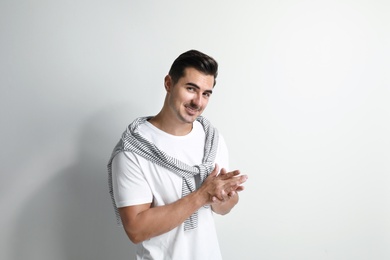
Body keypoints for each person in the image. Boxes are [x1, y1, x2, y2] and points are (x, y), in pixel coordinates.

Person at [107, 49, 248, 260]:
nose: (198, 102)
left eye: (206, 94)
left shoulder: (212, 139)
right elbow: (135, 229)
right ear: (168, 83)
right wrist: (201, 195)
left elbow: (222, 209)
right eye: (191, 89)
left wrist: (224, 196)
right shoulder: (133, 151)